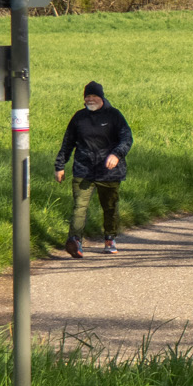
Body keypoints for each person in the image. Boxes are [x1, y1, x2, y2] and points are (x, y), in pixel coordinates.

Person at [54, 80, 132, 258]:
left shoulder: (114, 115)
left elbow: (127, 138)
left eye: (93, 96)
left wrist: (116, 154)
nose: (90, 99)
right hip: (84, 169)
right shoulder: (79, 117)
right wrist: (60, 166)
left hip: (109, 171)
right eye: (87, 96)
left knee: (110, 207)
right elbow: (68, 143)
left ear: (101, 97)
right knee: (79, 207)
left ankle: (110, 238)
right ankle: (75, 241)